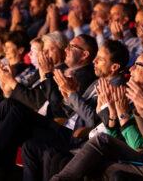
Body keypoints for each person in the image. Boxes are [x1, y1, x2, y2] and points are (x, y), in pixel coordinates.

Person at [0, 34, 97, 180]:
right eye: (67, 46)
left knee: (10, 108)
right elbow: (41, 98)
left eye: (72, 47)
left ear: (84, 55)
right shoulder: (62, 69)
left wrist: (47, 76)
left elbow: (59, 110)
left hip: (59, 126)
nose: (66, 50)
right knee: (6, 119)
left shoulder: (85, 75)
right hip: (45, 118)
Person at [23, 40, 129, 181]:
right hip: (69, 129)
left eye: (101, 59)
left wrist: (73, 94)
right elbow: (73, 114)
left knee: (49, 152)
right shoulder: (99, 80)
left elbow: (92, 121)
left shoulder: (116, 90)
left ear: (115, 67)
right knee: (28, 144)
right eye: (96, 56)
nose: (95, 61)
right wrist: (68, 96)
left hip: (81, 139)